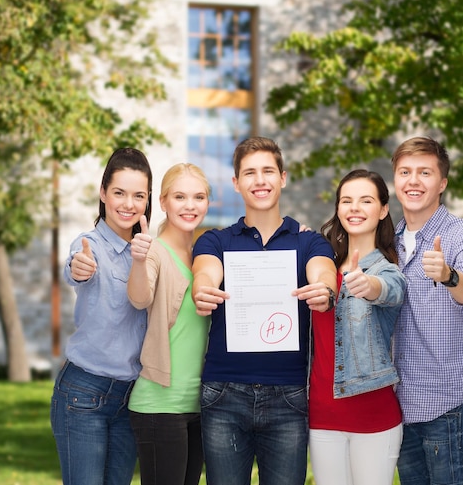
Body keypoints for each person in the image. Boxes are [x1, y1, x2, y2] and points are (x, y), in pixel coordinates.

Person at [191, 136, 337, 485]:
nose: (260, 180)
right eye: (250, 173)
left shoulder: (309, 241)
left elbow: (324, 271)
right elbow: (206, 271)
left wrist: (325, 290)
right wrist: (203, 289)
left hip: (288, 396)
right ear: (236, 183)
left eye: (268, 171)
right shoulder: (215, 240)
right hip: (224, 394)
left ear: (283, 178)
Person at [391, 136, 463, 485]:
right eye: (405, 172)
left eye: (425, 172)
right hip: (401, 402)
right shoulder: (391, 240)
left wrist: (449, 276)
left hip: (448, 403)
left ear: (442, 183)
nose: (413, 181)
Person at [50, 147, 153, 485]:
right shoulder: (88, 245)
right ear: (103, 193)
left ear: (148, 198)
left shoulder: (147, 251)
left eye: (138, 195)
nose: (129, 204)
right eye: (119, 192)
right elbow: (76, 268)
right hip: (83, 393)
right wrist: (79, 268)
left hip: (130, 398)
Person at [308, 169, 407, 485]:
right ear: (337, 208)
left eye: (366, 201)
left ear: (382, 210)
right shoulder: (320, 268)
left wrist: (368, 284)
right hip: (322, 417)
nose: (354, 208)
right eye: (346, 201)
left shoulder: (386, 270)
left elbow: (391, 289)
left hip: (374, 418)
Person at [126, 163, 211, 485]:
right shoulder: (154, 251)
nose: (190, 206)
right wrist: (138, 259)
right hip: (160, 404)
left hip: (197, 403)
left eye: (198, 197)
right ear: (162, 202)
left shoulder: (202, 254)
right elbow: (139, 297)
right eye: (180, 197)